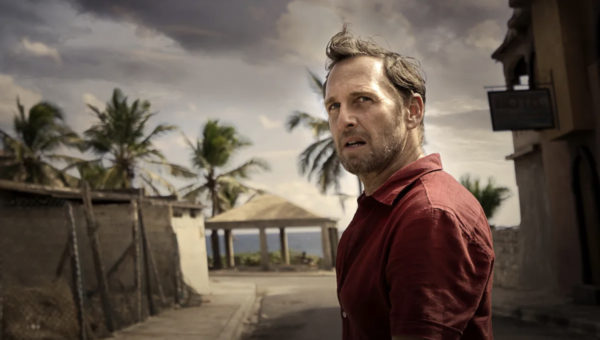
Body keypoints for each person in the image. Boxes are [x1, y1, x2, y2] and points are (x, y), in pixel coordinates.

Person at [324, 28, 495, 340]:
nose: (344, 119)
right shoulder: (383, 208)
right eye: (333, 106)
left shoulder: (429, 216)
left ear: (412, 111)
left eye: (363, 99)